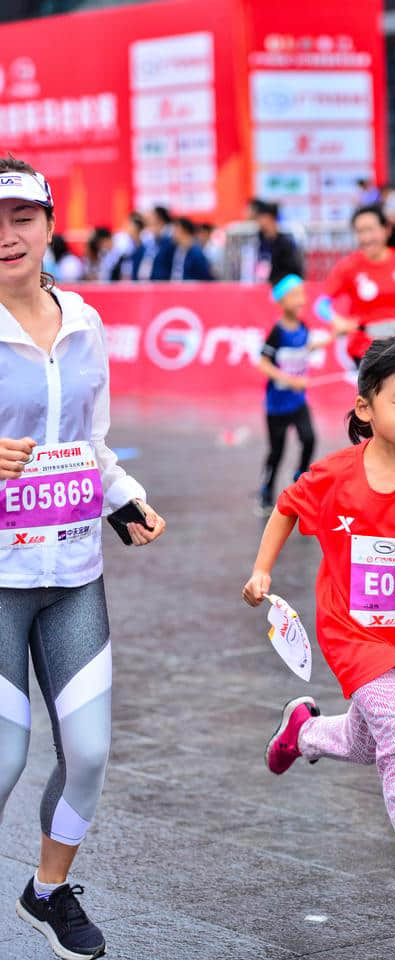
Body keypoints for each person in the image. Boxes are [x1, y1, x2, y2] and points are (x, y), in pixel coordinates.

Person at [243, 337, 395, 920]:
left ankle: (301, 733)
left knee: (369, 739)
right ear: (364, 409)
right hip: (349, 632)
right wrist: (261, 570)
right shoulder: (335, 476)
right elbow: (286, 506)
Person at [0, 156, 166, 959]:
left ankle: (49, 890)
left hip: (70, 572)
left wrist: (123, 498)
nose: (7, 235)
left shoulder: (86, 321)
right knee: (2, 758)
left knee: (90, 753)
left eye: (21, 216)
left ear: (49, 221)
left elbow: (89, 443)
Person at [315, 205, 395, 368]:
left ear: (386, 230)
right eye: (360, 231)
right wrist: (337, 320)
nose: (366, 237)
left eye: (371, 230)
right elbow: (321, 305)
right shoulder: (348, 266)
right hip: (364, 349)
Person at [256, 275, 324, 515]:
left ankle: (300, 481)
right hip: (277, 406)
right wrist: (290, 380)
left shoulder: (304, 327)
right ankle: (265, 490)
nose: (301, 300)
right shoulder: (277, 332)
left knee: (309, 439)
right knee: (277, 451)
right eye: (294, 295)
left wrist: (334, 336)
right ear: (281, 302)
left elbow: (305, 348)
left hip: (298, 402)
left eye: (302, 294)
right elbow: (263, 364)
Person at [253, 200, 303, 284]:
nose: (260, 221)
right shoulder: (258, 242)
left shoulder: (285, 244)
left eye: (263, 217)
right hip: (260, 285)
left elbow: (294, 271)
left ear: (272, 218)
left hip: (281, 287)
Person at [138, 206, 175, 281]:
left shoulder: (171, 237)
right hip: (146, 280)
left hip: (161, 282)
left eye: (152, 216)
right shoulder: (147, 236)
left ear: (159, 218)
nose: (148, 219)